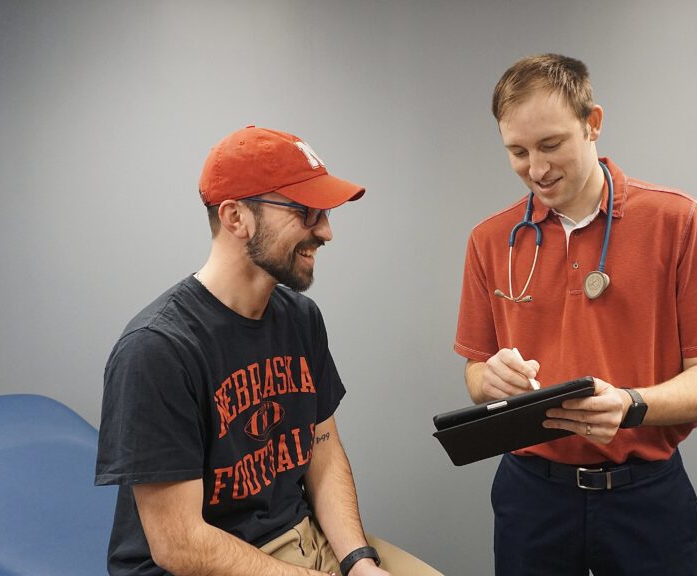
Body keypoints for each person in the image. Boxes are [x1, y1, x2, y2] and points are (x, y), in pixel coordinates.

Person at [454, 54, 697, 575]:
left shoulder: (679, 221)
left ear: (593, 123)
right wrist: (489, 382)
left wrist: (631, 404)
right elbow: (475, 374)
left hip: (646, 498)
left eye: (551, 145)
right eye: (518, 152)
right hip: (531, 498)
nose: (538, 170)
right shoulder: (489, 240)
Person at [96, 125, 441, 576]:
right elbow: (179, 545)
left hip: (301, 538)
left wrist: (359, 562)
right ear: (236, 218)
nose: (327, 232)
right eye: (306, 212)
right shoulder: (156, 351)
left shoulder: (301, 319)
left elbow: (323, 450)